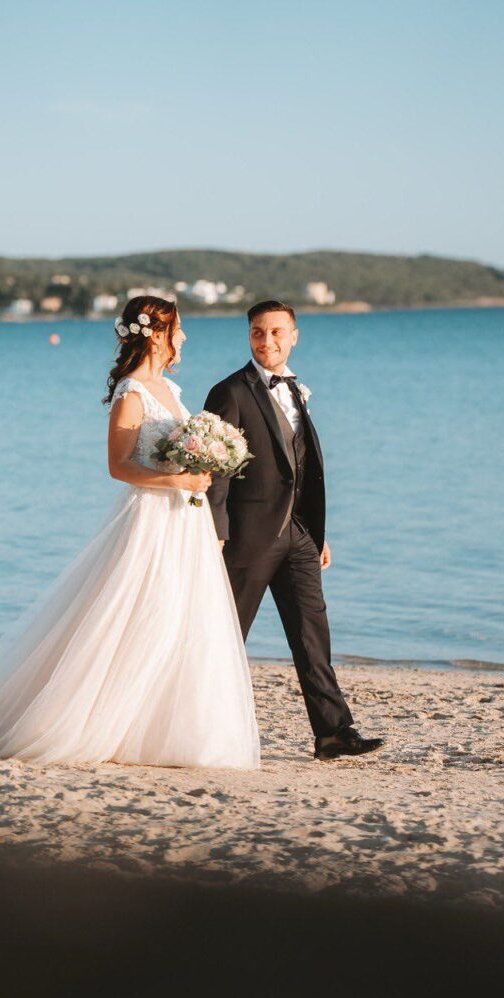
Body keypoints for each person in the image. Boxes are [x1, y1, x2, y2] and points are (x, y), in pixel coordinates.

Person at [0, 297, 260, 770]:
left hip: (184, 520)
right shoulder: (132, 392)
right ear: (158, 334)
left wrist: (201, 467)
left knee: (182, 615)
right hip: (150, 516)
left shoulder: (170, 389)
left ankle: (166, 725)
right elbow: (119, 466)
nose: (184, 338)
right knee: (137, 612)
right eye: (179, 329)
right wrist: (180, 480)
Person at [205, 300, 384, 760]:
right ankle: (197, 725)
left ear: (295, 335)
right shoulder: (230, 392)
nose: (268, 341)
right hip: (247, 537)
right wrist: (217, 531)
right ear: (248, 336)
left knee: (312, 635)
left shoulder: (295, 389)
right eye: (258, 332)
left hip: (300, 535)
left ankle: (332, 733)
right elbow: (217, 470)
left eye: (277, 332)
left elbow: (303, 469)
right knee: (225, 636)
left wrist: (318, 532)